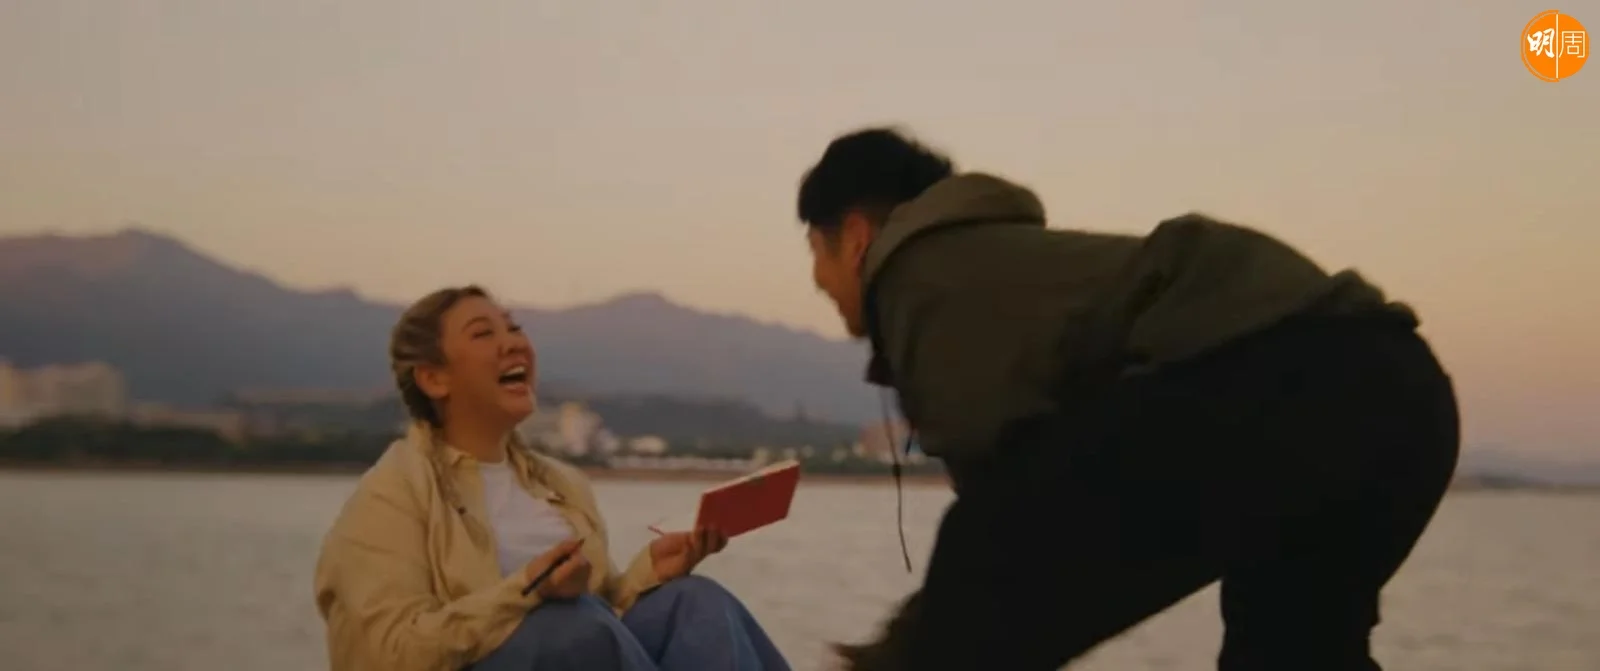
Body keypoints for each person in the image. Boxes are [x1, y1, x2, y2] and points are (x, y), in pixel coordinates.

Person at [794, 128, 1460, 670]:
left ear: (854, 238)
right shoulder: (998, 262)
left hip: (1293, 376)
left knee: (976, 589)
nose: (818, 278)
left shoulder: (924, 278)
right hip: (1403, 391)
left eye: (816, 252)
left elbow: (1003, 520)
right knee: (1293, 647)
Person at [313, 285, 790, 671]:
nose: (513, 342)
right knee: (568, 625)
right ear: (434, 379)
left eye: (514, 328)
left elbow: (607, 623)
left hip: (580, 646)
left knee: (695, 602)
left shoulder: (561, 484)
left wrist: (649, 572)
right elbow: (389, 653)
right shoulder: (392, 493)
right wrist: (528, 591)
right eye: (483, 334)